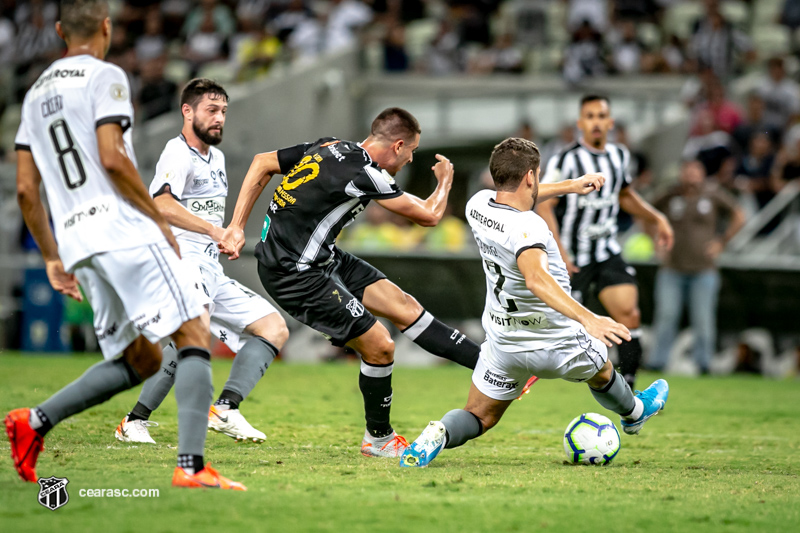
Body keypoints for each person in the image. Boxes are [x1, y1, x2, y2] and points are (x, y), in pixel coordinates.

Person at [217, 108, 605, 458]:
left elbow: (262, 162)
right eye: (411, 152)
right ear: (398, 145)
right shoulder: (366, 173)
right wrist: (445, 182)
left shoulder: (331, 146)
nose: (409, 160)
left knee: (404, 306)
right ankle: (378, 438)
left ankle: (488, 366)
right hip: (295, 272)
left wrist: (237, 225)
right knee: (380, 345)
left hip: (320, 256)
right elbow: (429, 215)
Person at [5, 0, 243, 490]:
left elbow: (26, 190)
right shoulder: (106, 76)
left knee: (141, 359)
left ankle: (34, 422)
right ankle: (192, 468)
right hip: (120, 227)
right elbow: (113, 159)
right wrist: (154, 220)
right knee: (195, 331)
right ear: (108, 27)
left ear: (58, 31)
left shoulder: (32, 96)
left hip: (77, 242)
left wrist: (52, 255)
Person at [399, 138, 669, 468]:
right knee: (602, 370)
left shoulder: (478, 205)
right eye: (537, 174)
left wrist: (570, 186)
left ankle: (437, 434)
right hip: (559, 343)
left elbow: (519, 194)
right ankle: (635, 413)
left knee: (478, 416)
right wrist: (590, 319)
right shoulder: (530, 227)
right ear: (531, 175)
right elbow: (536, 279)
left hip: (505, 345)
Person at [114, 79, 289, 445]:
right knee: (192, 339)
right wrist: (215, 230)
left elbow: (205, 215)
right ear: (187, 111)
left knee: (273, 327)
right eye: (211, 110)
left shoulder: (217, 157)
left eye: (224, 111)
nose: (219, 118)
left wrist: (226, 234)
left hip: (209, 265)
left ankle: (225, 409)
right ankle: (136, 424)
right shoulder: (176, 155)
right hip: (180, 261)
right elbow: (161, 204)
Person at [536, 95, 674, 390]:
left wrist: (657, 218)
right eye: (590, 116)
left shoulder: (619, 155)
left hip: (607, 251)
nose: (596, 122)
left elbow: (624, 195)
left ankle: (630, 389)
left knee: (629, 314)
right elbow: (544, 203)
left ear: (610, 122)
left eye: (601, 116)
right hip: (572, 256)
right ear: (580, 123)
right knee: (563, 328)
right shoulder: (566, 159)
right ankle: (526, 376)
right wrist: (560, 253)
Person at [649, 160, 745, 374]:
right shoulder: (670, 195)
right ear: (681, 174)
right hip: (672, 267)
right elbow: (645, 213)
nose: (691, 175)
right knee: (666, 315)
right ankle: (657, 362)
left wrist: (722, 241)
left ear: (702, 174)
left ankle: (704, 364)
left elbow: (739, 214)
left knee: (703, 318)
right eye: (687, 171)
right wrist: (654, 239)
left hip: (704, 269)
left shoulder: (712, 195)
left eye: (696, 171)